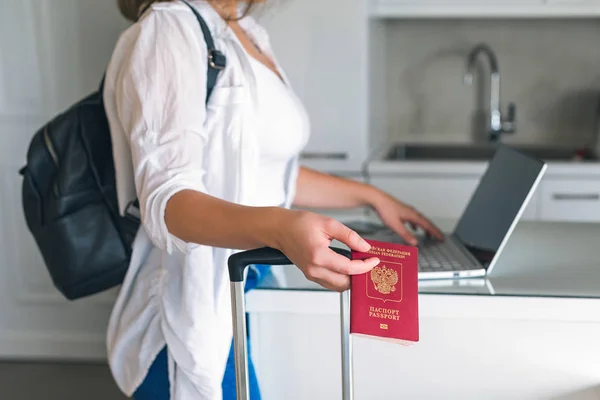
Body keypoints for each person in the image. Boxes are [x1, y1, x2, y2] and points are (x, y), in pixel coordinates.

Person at [104, 0, 444, 399]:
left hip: (249, 287)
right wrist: (283, 228)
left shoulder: (242, 30)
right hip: (196, 306)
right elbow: (169, 202)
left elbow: (258, 174)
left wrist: (369, 197)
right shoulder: (170, 28)